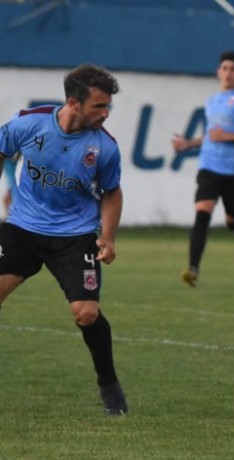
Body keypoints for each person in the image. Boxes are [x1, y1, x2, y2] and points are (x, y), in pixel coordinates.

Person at [0, 64, 128, 415]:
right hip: (22, 229)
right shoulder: (30, 123)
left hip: (75, 237)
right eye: (98, 106)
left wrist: (109, 237)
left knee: (86, 314)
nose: (105, 114)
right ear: (73, 102)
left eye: (107, 107)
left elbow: (112, 193)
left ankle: (109, 386)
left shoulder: (104, 147)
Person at [173, 51, 234, 288]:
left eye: (233, 68)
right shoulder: (212, 101)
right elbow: (211, 136)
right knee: (202, 214)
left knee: (233, 220)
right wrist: (189, 144)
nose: (228, 73)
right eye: (224, 68)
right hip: (210, 166)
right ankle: (193, 269)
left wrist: (228, 136)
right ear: (218, 72)